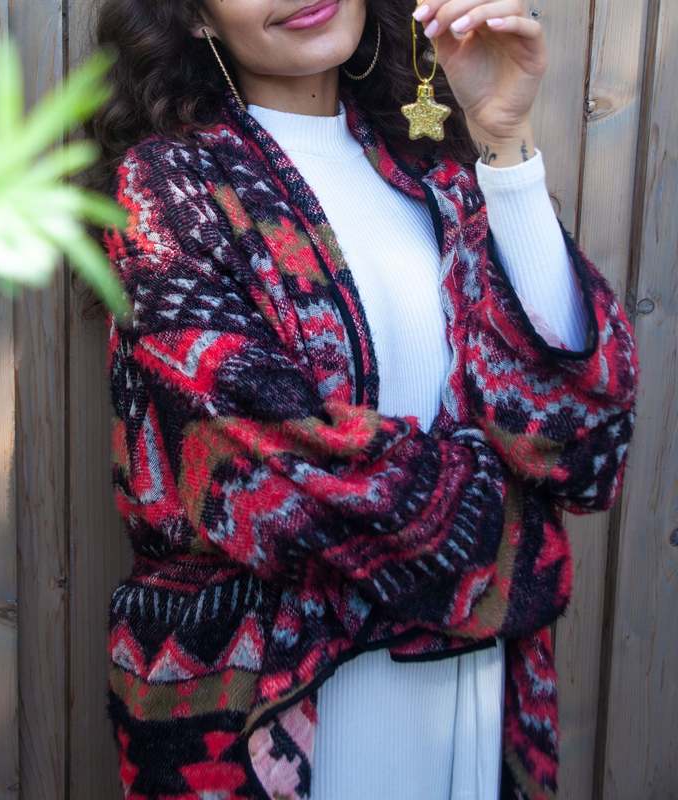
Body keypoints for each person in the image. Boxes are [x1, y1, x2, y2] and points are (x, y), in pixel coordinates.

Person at [87, 1, 639, 798]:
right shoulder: (170, 189)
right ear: (196, 17)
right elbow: (271, 466)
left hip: (469, 692)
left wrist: (505, 143)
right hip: (284, 707)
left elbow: (581, 436)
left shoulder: (432, 169)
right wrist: (518, 526)